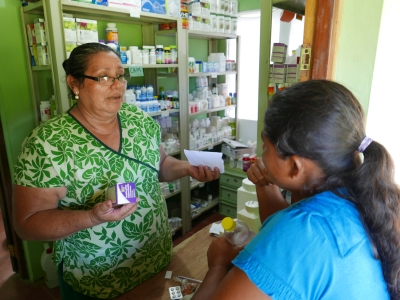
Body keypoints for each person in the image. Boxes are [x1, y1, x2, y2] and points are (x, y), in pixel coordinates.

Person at [12, 42, 220, 299]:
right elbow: (27, 223)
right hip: (97, 279)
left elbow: (160, 166)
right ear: (75, 84)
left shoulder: (139, 120)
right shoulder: (46, 144)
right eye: (103, 77)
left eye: (120, 75)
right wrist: (92, 217)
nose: (117, 85)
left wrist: (189, 168)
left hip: (154, 257)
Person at [192, 80, 400, 300]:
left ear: (295, 166)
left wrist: (218, 264)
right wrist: (266, 185)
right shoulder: (376, 195)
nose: (261, 154)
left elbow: (294, 238)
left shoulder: (304, 232)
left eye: (265, 146)